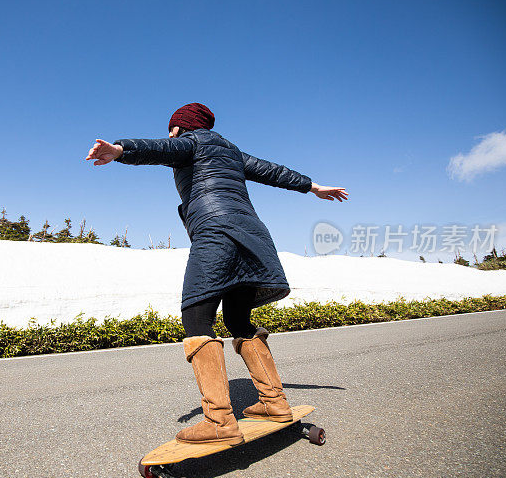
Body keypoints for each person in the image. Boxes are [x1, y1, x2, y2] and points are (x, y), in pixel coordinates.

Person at [85, 103, 348, 446]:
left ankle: (219, 421)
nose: (170, 134)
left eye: (172, 129)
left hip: (216, 231)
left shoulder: (192, 142)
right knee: (238, 318)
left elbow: (159, 149)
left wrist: (120, 150)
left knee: (196, 315)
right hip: (253, 235)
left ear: (181, 127)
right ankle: (275, 402)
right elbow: (273, 171)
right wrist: (313, 186)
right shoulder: (232, 151)